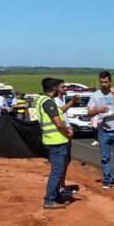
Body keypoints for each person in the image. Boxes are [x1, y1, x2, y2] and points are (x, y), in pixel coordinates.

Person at [34, 78, 74, 210]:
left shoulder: (42, 100)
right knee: (57, 171)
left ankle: (55, 196)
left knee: (57, 169)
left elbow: (58, 112)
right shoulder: (48, 102)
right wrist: (67, 131)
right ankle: (50, 200)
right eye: (59, 87)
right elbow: (57, 122)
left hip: (52, 140)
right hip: (56, 140)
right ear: (54, 88)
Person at [87, 71, 114, 189]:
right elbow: (89, 112)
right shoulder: (95, 95)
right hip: (103, 130)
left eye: (106, 82)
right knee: (105, 157)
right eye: (102, 82)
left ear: (110, 81)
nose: (104, 84)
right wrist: (99, 110)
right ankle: (107, 180)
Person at [53, 82, 80, 198]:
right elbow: (60, 114)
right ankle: (59, 187)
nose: (65, 88)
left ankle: (62, 184)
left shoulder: (61, 99)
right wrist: (72, 102)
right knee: (61, 163)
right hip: (62, 135)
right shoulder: (55, 101)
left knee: (66, 162)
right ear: (56, 88)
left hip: (66, 134)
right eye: (62, 87)